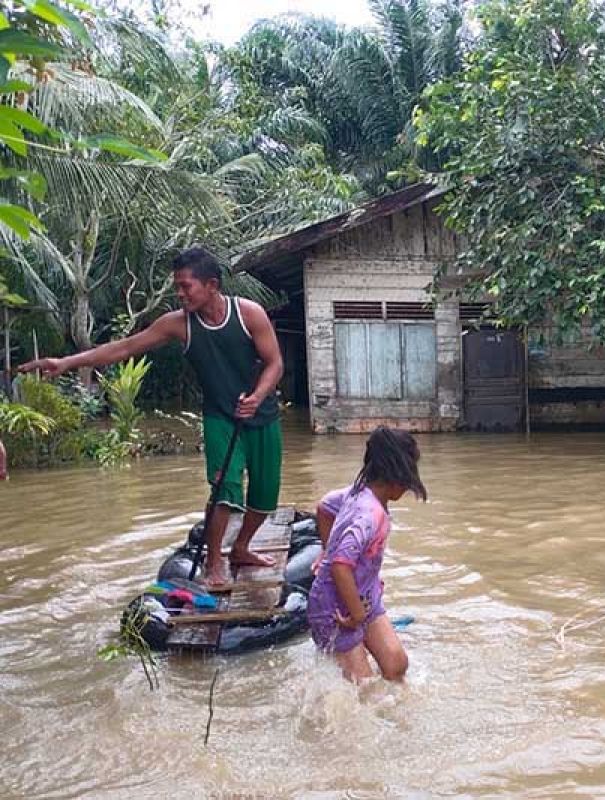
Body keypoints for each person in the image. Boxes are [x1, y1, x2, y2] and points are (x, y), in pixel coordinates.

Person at [19, 247, 283, 586]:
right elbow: (125, 348)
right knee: (224, 490)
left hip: (262, 415)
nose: (180, 293)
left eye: (186, 286)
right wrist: (67, 363)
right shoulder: (178, 324)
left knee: (264, 495)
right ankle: (214, 561)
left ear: (212, 285)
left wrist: (258, 396)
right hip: (220, 416)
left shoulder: (249, 314)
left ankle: (242, 548)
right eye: (177, 286)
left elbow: (275, 363)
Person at [308, 427, 426, 683]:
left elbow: (324, 507)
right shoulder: (367, 514)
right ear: (398, 477)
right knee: (364, 687)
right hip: (334, 608)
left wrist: (326, 549)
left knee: (397, 665)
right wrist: (357, 615)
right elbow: (340, 566)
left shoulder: (357, 491)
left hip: (364, 596)